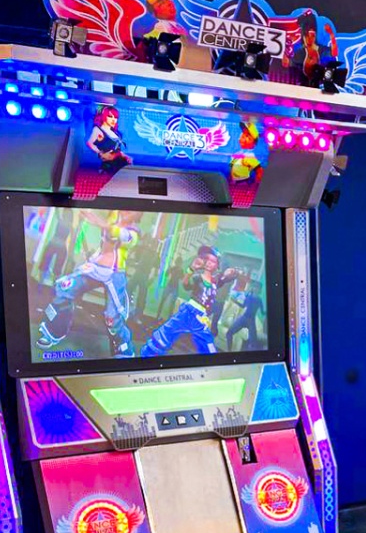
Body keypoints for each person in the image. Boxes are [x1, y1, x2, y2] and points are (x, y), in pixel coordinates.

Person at [37, 210, 140, 358]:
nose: (127, 211)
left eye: (133, 211)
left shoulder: (134, 231)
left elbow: (122, 235)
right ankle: (53, 331)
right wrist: (85, 216)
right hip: (94, 267)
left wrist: (102, 223)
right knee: (64, 288)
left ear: (138, 215)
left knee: (112, 318)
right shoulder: (114, 215)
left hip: (114, 273)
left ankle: (124, 349)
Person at [141, 244, 238, 358]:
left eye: (212, 261)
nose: (208, 262)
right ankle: (147, 356)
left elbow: (225, 279)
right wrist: (191, 270)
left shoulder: (215, 281)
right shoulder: (198, 277)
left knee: (208, 346)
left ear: (217, 265)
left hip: (201, 318)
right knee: (164, 335)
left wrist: (230, 273)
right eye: (206, 259)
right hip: (188, 311)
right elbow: (186, 285)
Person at [87, 106, 132, 175]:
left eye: (115, 117)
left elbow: (117, 150)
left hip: (120, 165)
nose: (113, 120)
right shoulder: (98, 129)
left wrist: (125, 156)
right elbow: (89, 143)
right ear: (104, 116)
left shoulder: (117, 133)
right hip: (107, 166)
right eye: (110, 117)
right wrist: (100, 153)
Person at [225, 279, 264, 351]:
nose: (255, 288)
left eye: (257, 287)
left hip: (251, 321)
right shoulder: (248, 296)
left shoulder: (259, 300)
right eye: (254, 286)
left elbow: (262, 312)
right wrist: (235, 301)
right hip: (244, 318)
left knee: (253, 344)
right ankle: (229, 351)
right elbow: (243, 306)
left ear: (260, 290)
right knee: (229, 333)